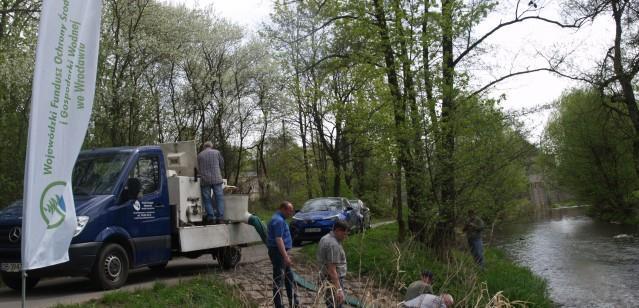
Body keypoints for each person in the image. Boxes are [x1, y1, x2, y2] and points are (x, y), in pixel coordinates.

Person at [266, 201, 299, 308]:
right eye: (290, 210)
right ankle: (279, 305)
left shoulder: (278, 219)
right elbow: (278, 239)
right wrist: (285, 256)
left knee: (289, 278)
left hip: (280, 253)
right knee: (279, 280)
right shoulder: (278, 220)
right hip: (278, 254)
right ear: (283, 209)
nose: (291, 213)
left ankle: (293, 303)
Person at [317, 220, 349, 308]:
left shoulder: (325, 238)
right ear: (338, 230)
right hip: (334, 280)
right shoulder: (333, 245)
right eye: (344, 234)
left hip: (325, 277)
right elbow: (332, 269)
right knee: (336, 304)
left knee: (330, 303)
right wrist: (339, 289)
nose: (345, 237)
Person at [197, 141, 224, 224]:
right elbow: (222, 164)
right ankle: (220, 218)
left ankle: (211, 217)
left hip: (205, 180)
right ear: (211, 146)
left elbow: (197, 168)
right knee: (219, 198)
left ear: (204, 147)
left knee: (207, 199)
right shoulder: (217, 152)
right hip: (217, 179)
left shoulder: (199, 155)